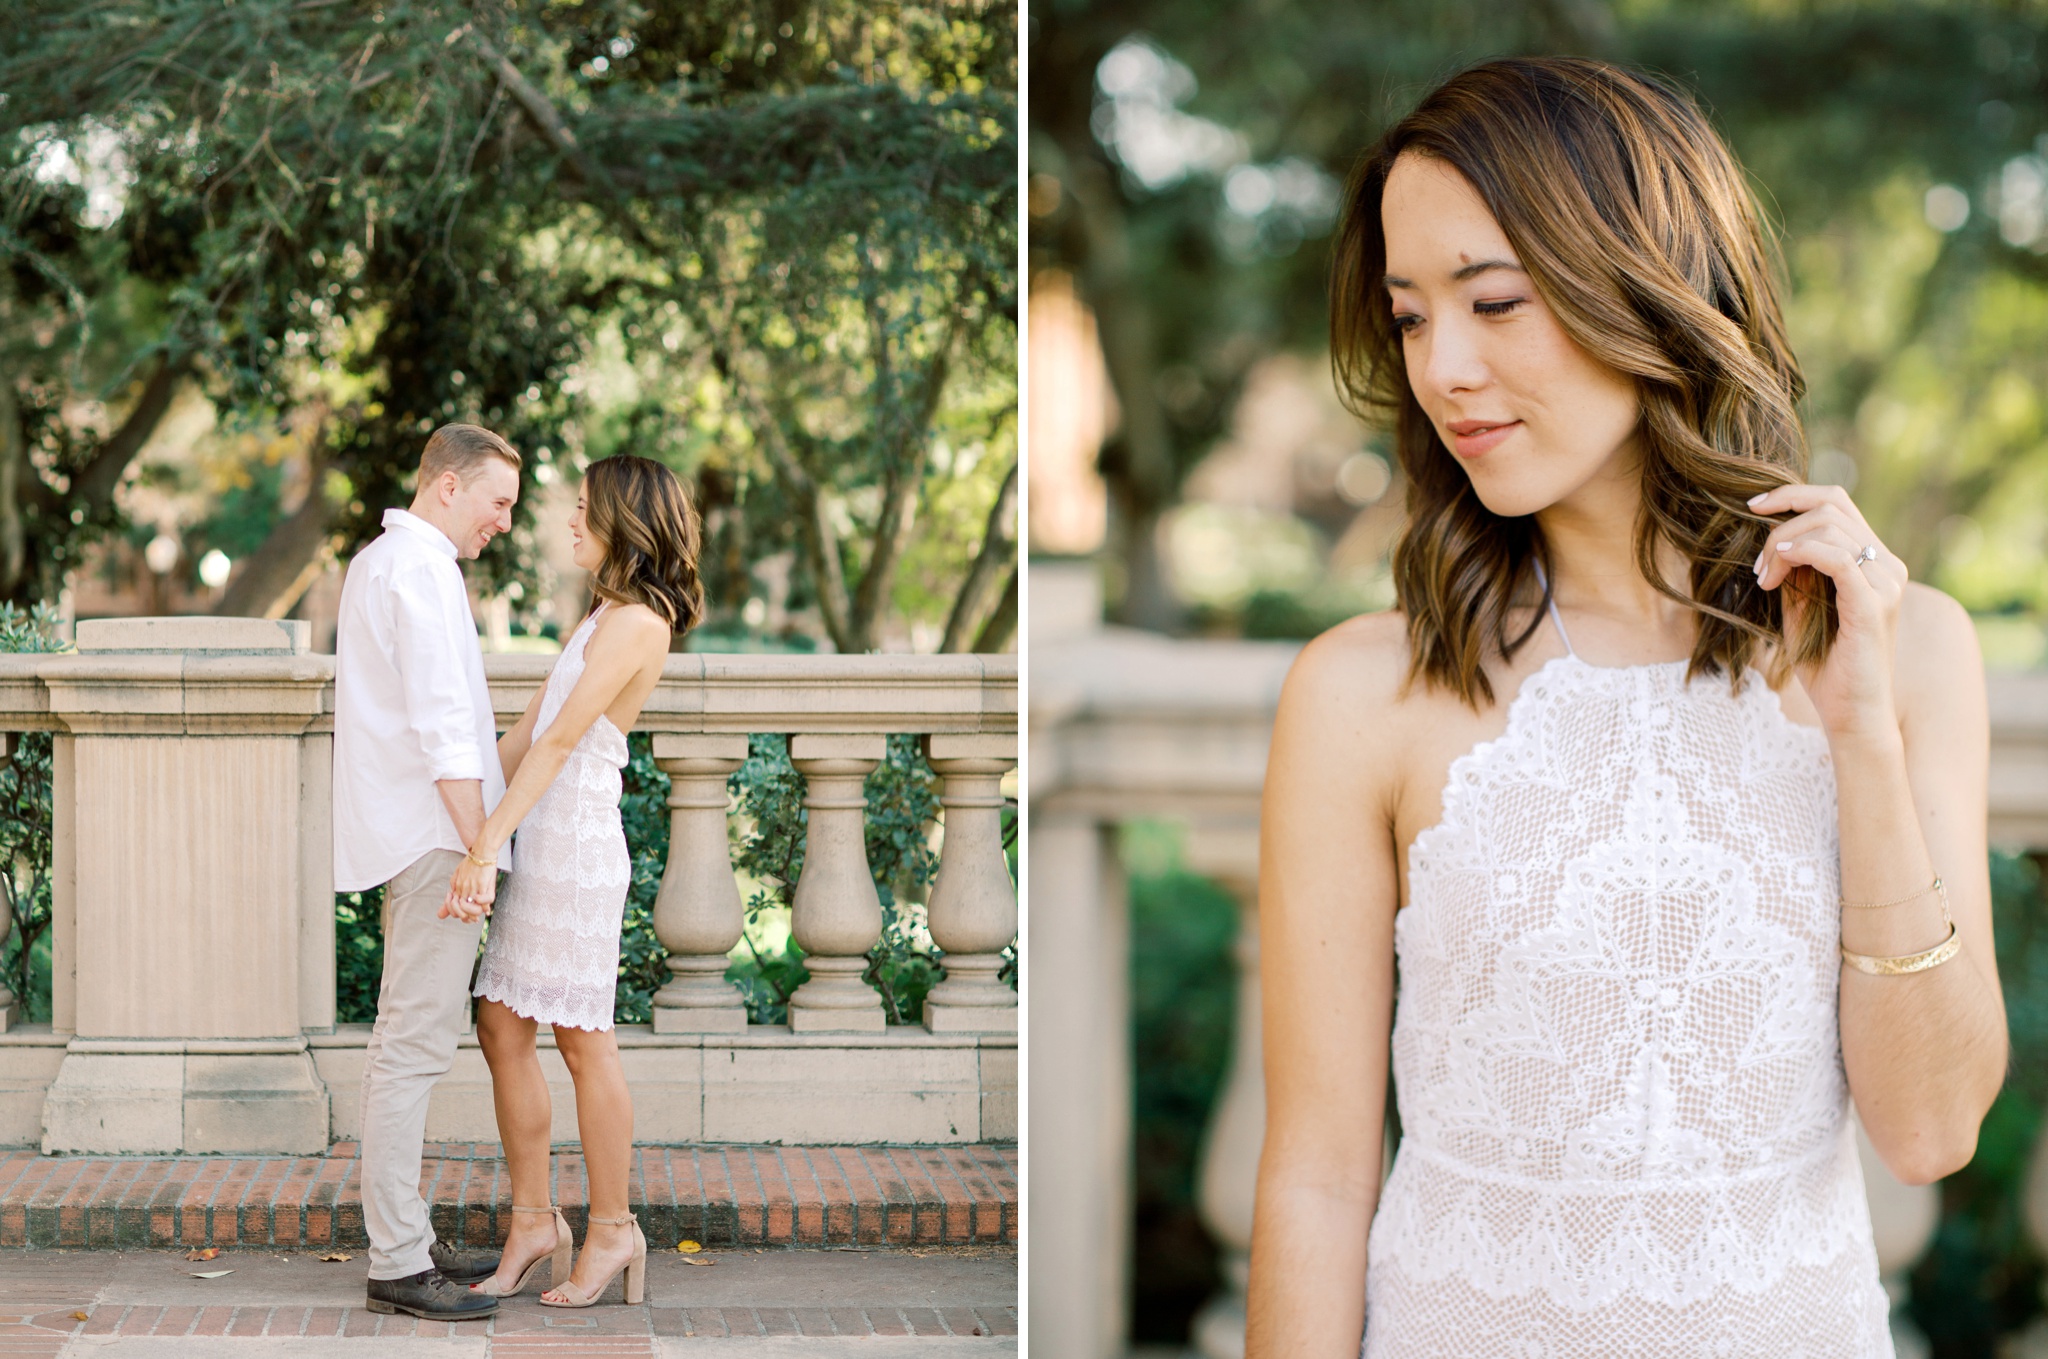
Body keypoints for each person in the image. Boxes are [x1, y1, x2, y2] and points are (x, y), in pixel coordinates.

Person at [1248, 58, 2008, 1358]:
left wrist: (1860, 734)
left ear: (1652, 289)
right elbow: (1316, 1180)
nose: (1446, 367)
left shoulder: (1911, 648)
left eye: (1493, 301)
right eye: (1413, 316)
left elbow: (1929, 1130)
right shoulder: (1364, 690)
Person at [448, 454, 704, 1307]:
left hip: (579, 845)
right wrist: (460, 808)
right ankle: (533, 1220)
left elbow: (562, 746)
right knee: (500, 1024)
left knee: (582, 1039)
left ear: (623, 522)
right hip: (541, 830)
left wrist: (487, 843)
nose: (568, 522)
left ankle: (612, 1228)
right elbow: (527, 730)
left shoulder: (640, 623)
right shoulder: (604, 612)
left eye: (584, 509)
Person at [333, 422, 523, 1322]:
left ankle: (404, 1229)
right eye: (499, 501)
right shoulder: (421, 571)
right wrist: (479, 849)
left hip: (415, 834)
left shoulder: (382, 562)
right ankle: (399, 1259)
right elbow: (446, 724)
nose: (505, 523)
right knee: (410, 1050)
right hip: (437, 838)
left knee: (402, 1042)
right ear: (447, 486)